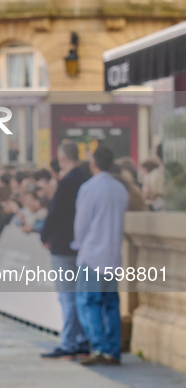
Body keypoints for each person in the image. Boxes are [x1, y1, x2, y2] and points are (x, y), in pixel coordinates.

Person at [72, 147, 129, 366]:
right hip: (112, 254)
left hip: (93, 253)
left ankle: (100, 346)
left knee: (88, 302)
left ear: (94, 163)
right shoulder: (120, 189)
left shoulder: (89, 188)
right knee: (111, 303)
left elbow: (82, 223)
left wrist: (78, 244)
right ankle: (112, 349)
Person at [40, 142, 90, 359]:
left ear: (61, 159)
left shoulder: (67, 183)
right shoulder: (86, 180)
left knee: (67, 296)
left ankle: (69, 342)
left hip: (62, 245)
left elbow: (55, 213)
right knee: (79, 295)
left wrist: (45, 235)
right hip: (83, 246)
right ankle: (81, 339)